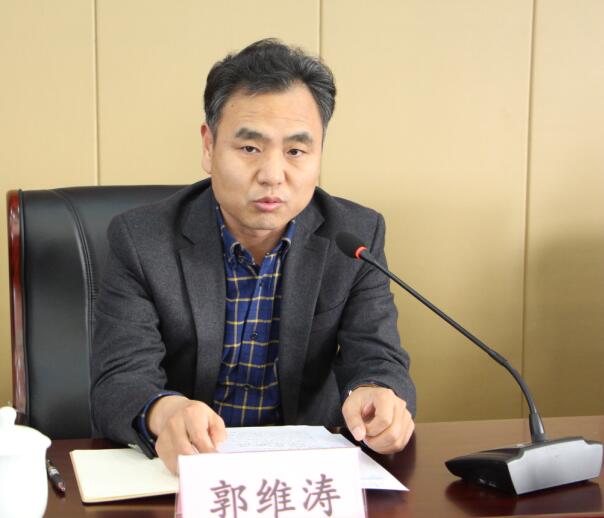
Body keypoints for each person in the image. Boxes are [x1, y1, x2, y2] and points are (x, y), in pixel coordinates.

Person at [91, 39, 415, 474]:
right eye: (249, 148)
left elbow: (379, 359)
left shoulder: (355, 236)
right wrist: (166, 412)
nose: (272, 175)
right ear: (209, 146)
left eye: (296, 151)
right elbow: (119, 380)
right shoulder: (141, 240)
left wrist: (378, 395)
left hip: (306, 474)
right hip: (188, 468)